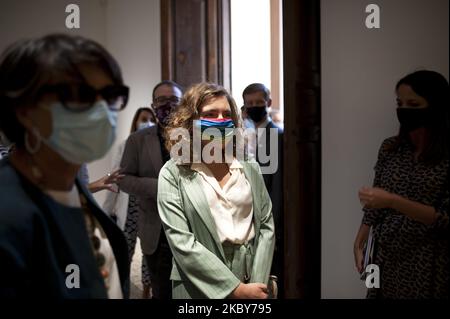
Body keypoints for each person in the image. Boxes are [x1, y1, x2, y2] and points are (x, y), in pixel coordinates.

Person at [0, 34, 130, 298]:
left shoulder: (70, 186)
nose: (101, 110)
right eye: (77, 95)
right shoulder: (8, 210)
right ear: (24, 109)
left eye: (111, 95)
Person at [157, 82, 275, 299]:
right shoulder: (172, 172)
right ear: (191, 120)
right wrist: (236, 290)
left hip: (252, 279)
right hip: (196, 285)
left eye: (226, 114)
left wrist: (256, 283)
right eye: (211, 114)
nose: (221, 120)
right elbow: (181, 242)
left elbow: (266, 224)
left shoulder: (249, 166)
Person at [353, 70, 449, 299]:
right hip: (386, 256)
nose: (404, 109)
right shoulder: (391, 148)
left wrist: (393, 201)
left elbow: (445, 218)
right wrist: (359, 242)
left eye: (413, 103)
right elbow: (376, 202)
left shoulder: (445, 156)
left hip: (429, 260)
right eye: (400, 102)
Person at [118, 80, 183, 299]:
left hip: (193, 231)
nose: (167, 105)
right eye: (161, 100)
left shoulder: (198, 138)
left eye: (174, 100)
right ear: (153, 104)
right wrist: (160, 186)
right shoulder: (137, 140)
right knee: (162, 291)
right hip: (156, 232)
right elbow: (123, 179)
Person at [103, 107, 155, 298]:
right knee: (125, 252)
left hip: (149, 207)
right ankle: (122, 291)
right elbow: (114, 180)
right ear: (135, 121)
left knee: (149, 255)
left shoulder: (157, 146)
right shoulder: (125, 145)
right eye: (143, 118)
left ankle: (147, 293)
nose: (147, 122)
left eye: (151, 119)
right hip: (129, 208)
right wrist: (106, 212)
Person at [241, 83, 284, 296]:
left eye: (259, 102)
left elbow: (276, 186)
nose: (254, 106)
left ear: (268, 103)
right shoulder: (241, 135)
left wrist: (273, 227)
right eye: (250, 103)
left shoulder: (277, 136)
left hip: (266, 217)